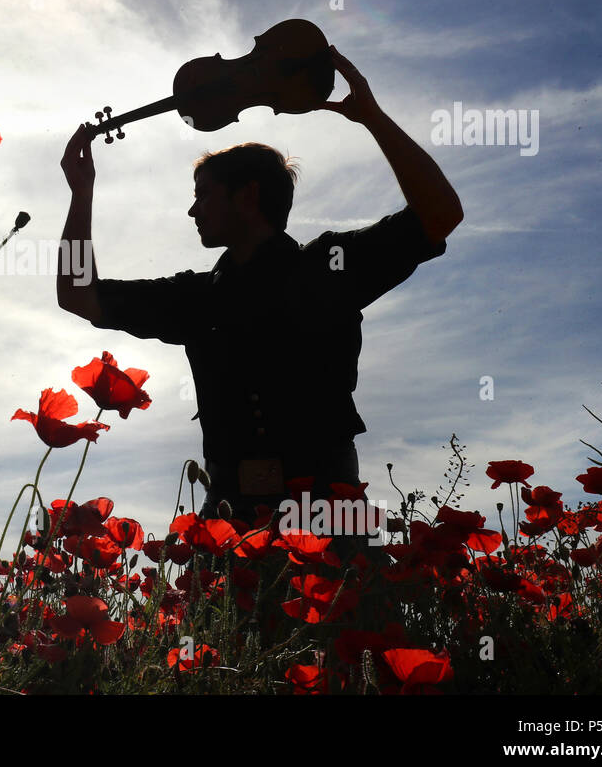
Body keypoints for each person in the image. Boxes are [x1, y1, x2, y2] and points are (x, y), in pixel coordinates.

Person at [56, 46, 462, 534]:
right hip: (229, 513)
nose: (193, 211)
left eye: (203, 195)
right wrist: (81, 194)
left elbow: (441, 214)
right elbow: (77, 293)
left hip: (326, 515)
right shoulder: (197, 295)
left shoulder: (330, 265)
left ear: (247, 196)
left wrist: (373, 119)